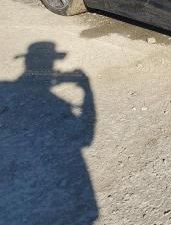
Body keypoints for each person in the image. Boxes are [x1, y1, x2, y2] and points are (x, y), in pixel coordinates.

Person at [0, 41, 98, 224]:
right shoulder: (53, 101)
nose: (52, 66)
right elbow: (87, 137)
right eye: (51, 60)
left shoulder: (5, 89)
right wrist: (86, 88)